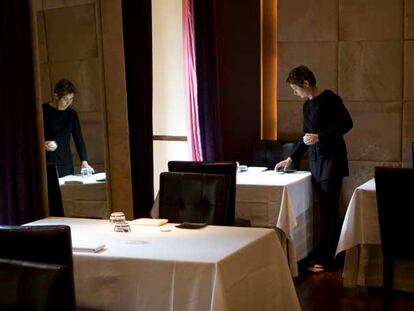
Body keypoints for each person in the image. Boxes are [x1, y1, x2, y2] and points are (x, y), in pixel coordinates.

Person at [275, 65, 353, 273]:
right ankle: (324, 253)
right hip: (316, 162)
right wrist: (290, 158)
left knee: (329, 211)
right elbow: (305, 136)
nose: (295, 92)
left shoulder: (330, 99)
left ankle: (329, 259)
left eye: (295, 88)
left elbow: (347, 124)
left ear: (306, 83)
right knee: (323, 210)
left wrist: (321, 136)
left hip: (332, 161)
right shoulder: (307, 106)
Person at [43, 79, 94, 177]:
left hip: (65, 163)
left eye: (71, 99)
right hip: (45, 161)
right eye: (65, 99)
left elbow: (79, 140)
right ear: (56, 96)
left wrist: (84, 161)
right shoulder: (42, 111)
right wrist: (42, 144)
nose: (68, 103)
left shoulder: (72, 115)